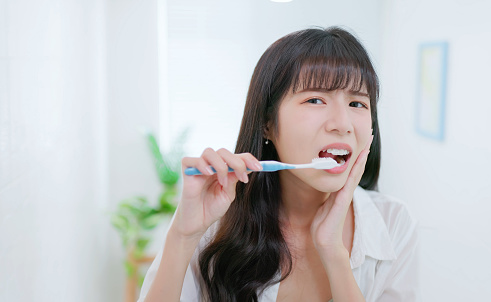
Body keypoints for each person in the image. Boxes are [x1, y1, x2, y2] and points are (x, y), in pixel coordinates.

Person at [138, 26, 419, 302]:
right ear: (267, 124)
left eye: (357, 104)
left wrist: (334, 253)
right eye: (315, 99)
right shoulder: (214, 220)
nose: (342, 124)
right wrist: (183, 236)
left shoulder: (394, 224)